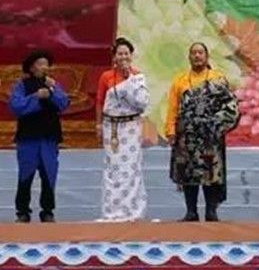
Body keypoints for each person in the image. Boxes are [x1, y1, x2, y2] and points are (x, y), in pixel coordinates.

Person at [166, 42, 240, 222]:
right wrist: (171, 131)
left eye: (200, 52)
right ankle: (191, 212)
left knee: (211, 173)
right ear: (189, 57)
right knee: (188, 173)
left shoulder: (217, 78)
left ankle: (211, 212)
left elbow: (230, 106)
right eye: (194, 53)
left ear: (207, 56)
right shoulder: (180, 80)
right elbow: (173, 108)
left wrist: (217, 125)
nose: (197, 55)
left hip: (209, 136)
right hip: (187, 136)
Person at [9, 50, 70, 223]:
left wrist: (53, 90)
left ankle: (47, 211)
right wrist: (36, 97)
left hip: (49, 138)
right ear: (31, 67)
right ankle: (22, 211)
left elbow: (64, 103)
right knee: (25, 175)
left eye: (46, 64)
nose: (44, 67)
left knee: (49, 175)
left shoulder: (53, 85)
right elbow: (16, 106)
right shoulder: (22, 85)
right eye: (40, 64)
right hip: (28, 139)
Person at [95, 37, 150, 222]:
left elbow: (142, 103)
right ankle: (112, 211)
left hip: (131, 127)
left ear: (131, 56)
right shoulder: (106, 77)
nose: (123, 57)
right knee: (113, 168)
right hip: (112, 127)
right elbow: (100, 101)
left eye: (126, 53)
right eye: (120, 54)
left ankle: (133, 211)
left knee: (131, 168)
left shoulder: (138, 76)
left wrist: (129, 80)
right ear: (114, 56)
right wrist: (98, 124)